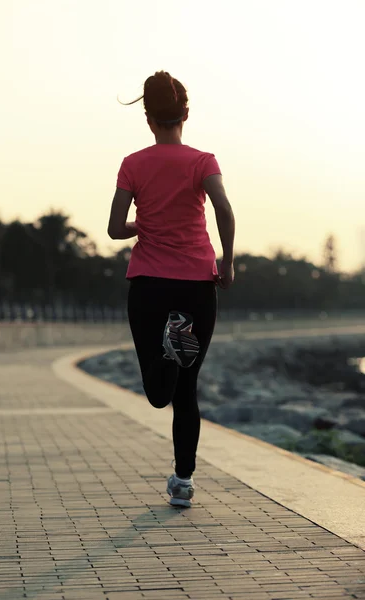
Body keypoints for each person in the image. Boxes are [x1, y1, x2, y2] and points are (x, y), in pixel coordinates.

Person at [108, 71, 235, 507]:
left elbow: (112, 229)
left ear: (148, 118)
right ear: (186, 114)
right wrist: (229, 262)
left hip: (149, 284)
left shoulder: (133, 163)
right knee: (188, 390)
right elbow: (224, 209)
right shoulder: (203, 161)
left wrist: (144, 224)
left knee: (158, 391)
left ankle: (166, 349)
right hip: (198, 284)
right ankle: (183, 483)